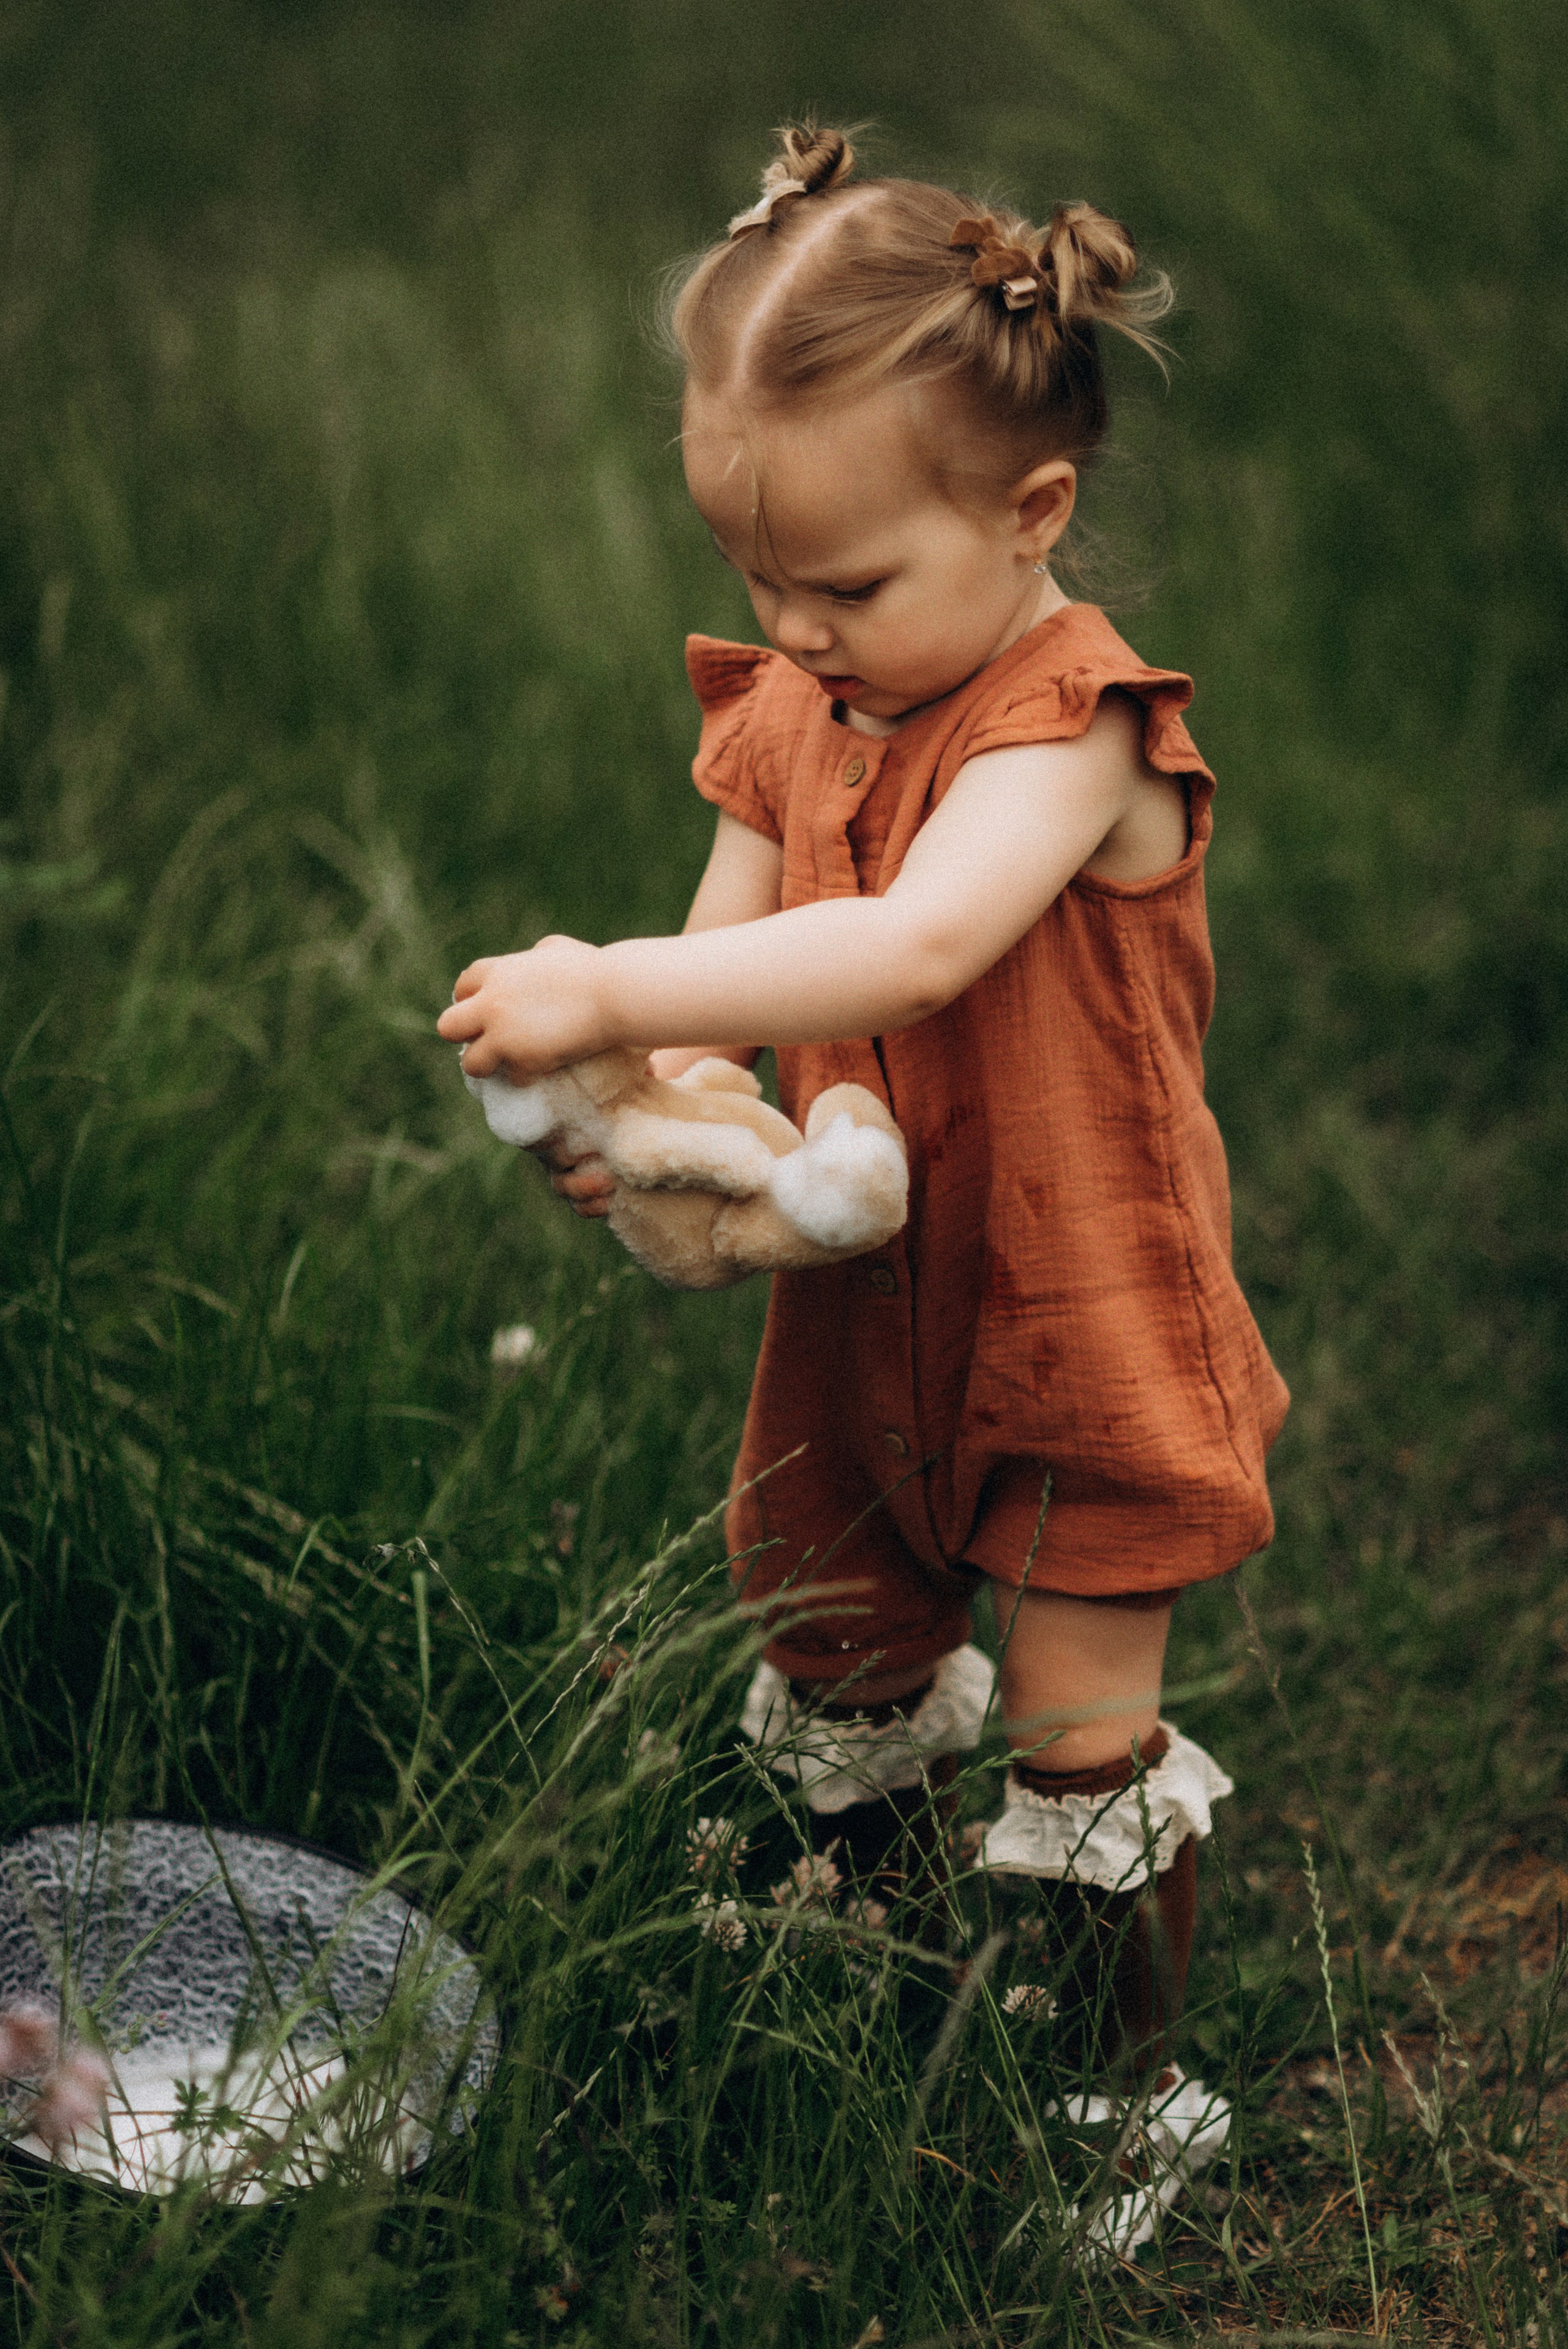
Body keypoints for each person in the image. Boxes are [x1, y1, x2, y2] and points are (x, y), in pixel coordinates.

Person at [439, 125, 1288, 2156]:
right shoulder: (798, 708)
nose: (797, 627)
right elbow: (734, 953)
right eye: (754, 578)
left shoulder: (1078, 730)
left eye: (844, 581)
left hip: (1074, 1276)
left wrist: (605, 985)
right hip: (867, 1263)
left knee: (1082, 1710)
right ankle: (890, 1972)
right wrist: (653, 1116)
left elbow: (913, 945)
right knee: (832, 1616)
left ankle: (1110, 2096)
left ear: (1034, 512)